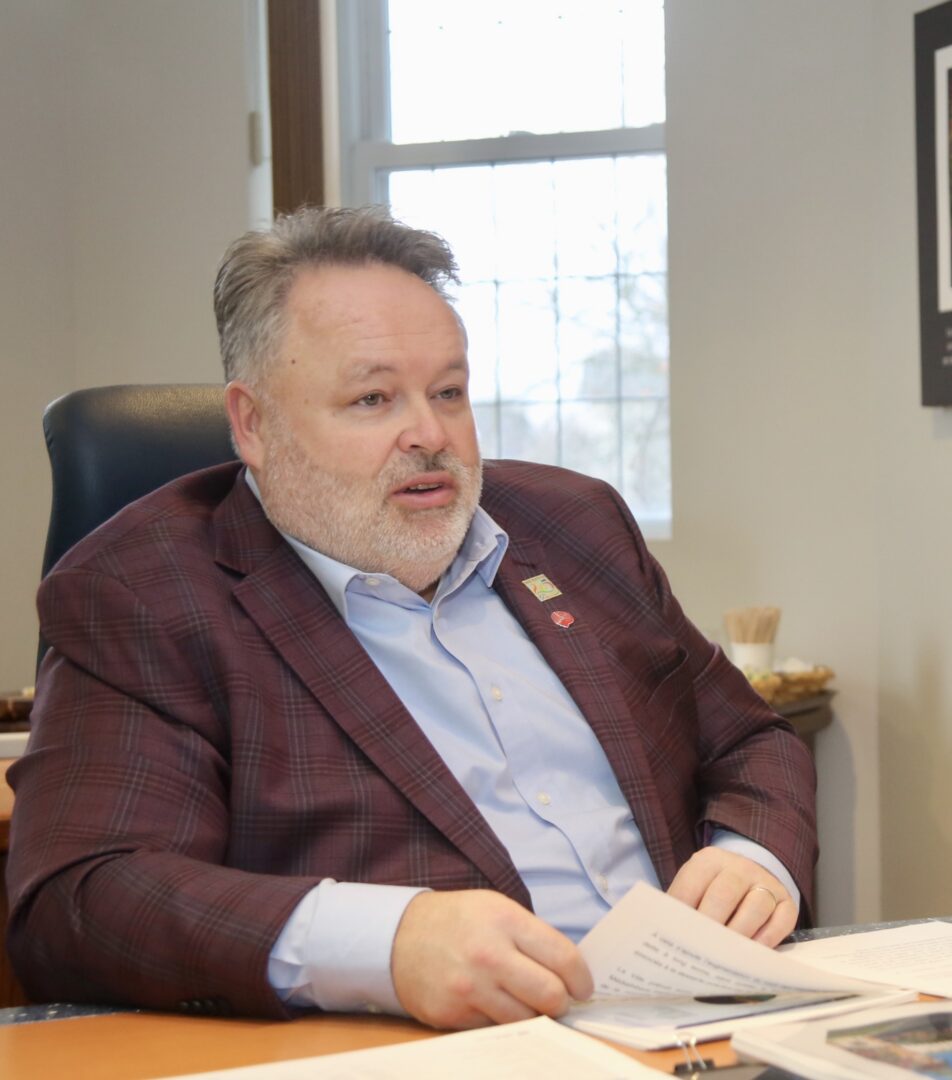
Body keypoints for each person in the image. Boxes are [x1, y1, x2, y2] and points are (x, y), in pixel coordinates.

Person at [5, 206, 817, 1028]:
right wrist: (386, 944)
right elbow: (81, 895)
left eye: (449, 392)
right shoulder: (144, 592)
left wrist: (754, 860)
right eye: (372, 399)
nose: (429, 435)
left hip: (710, 1021)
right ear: (252, 423)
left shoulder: (576, 526)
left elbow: (751, 740)